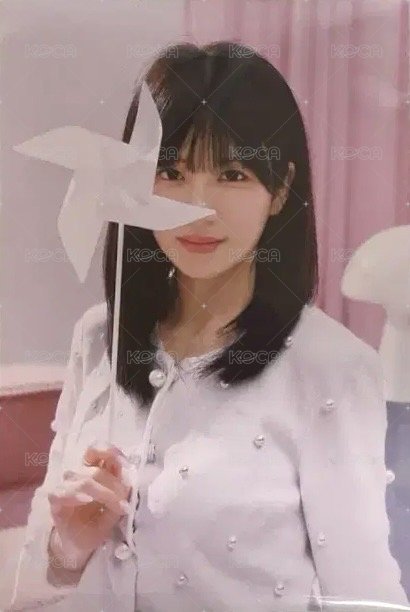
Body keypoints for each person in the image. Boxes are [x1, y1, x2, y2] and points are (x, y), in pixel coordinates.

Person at [10, 41, 409, 612]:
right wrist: (67, 546)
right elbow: (35, 577)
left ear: (280, 189)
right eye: (170, 171)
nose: (198, 206)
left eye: (232, 173)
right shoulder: (98, 338)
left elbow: (364, 592)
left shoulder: (333, 369)